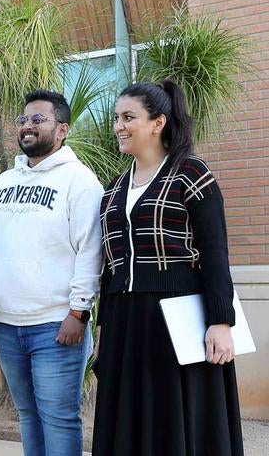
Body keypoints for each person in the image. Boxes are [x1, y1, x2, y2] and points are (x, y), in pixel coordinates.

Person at [91, 80, 244, 456]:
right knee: (129, 425)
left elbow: (214, 251)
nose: (119, 127)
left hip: (179, 319)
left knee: (181, 425)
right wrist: (102, 329)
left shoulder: (191, 173)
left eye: (129, 118)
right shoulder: (112, 189)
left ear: (158, 122)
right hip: (126, 323)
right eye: (116, 118)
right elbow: (110, 267)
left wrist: (221, 321)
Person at [0, 89, 103, 456]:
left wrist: (79, 311)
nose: (28, 126)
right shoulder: (2, 184)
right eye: (23, 120)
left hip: (56, 327)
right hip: (8, 327)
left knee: (58, 417)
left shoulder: (80, 182)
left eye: (38, 119)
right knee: (27, 415)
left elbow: (91, 250)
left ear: (62, 130)